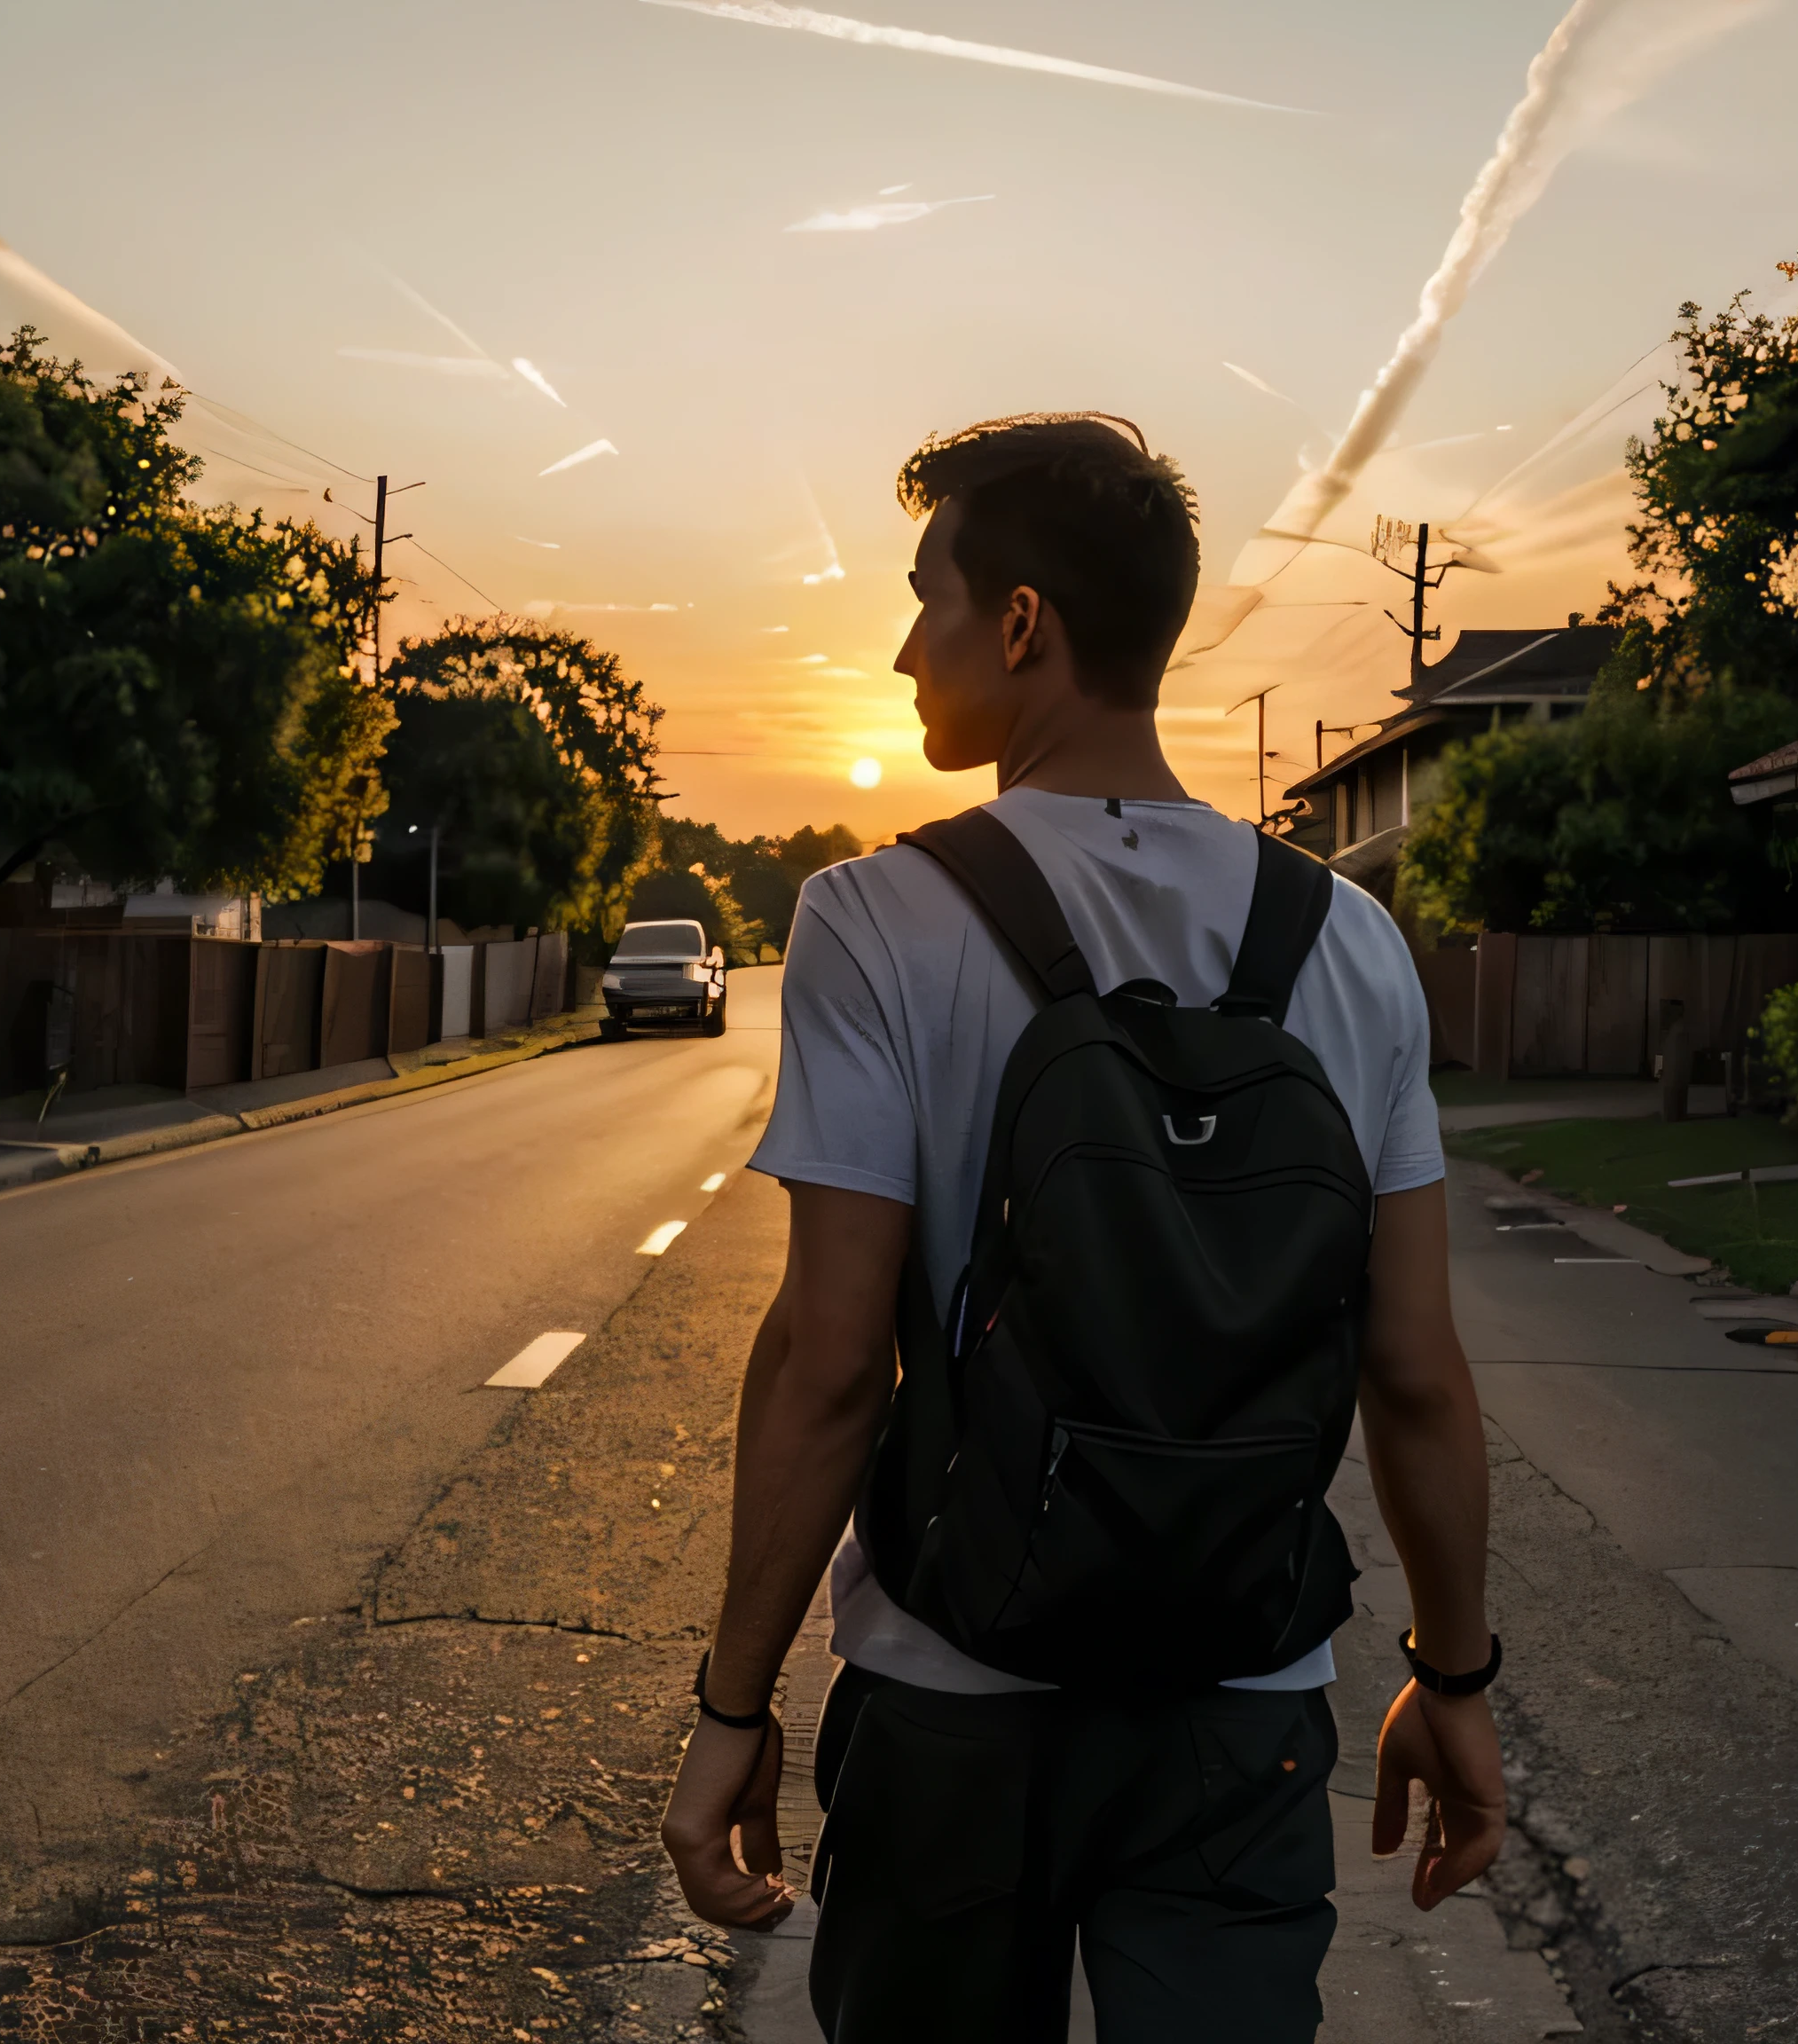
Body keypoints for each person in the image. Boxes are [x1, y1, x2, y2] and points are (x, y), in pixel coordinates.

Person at [660, 413, 1505, 2041]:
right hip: (1233, 1705)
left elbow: (833, 1364)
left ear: (1025, 621)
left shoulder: (875, 918)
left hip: (954, 1693)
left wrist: (734, 1703)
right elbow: (1412, 1371)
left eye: (929, 596)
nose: (907, 648)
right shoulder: (1351, 945)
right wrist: (1454, 1683)